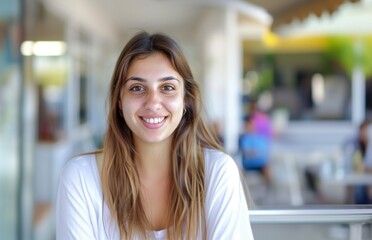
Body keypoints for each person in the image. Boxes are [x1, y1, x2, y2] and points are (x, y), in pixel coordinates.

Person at [56, 31, 254, 239]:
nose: (152, 102)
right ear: (119, 102)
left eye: (167, 87)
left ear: (186, 100)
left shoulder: (218, 173)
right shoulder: (80, 179)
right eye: (137, 88)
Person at [239, 98, 272, 186]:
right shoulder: (244, 138)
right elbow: (246, 151)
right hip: (248, 163)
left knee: (267, 170)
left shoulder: (259, 137)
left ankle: (267, 188)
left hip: (259, 162)